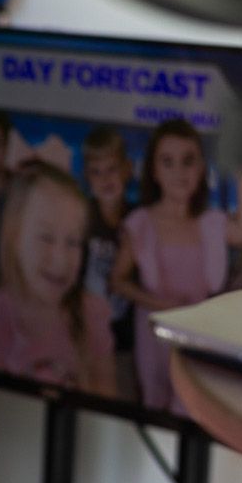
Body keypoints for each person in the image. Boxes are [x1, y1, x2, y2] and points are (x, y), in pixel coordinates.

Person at [110, 118, 242, 410]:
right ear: (154, 170)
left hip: (197, 340)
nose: (179, 172)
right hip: (154, 341)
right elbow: (118, 280)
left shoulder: (212, 223)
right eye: (168, 162)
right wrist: (159, 304)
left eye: (188, 161)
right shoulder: (141, 224)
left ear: (201, 169)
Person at [0, 162, 117, 395]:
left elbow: (107, 399)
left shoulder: (92, 314)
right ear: (14, 237)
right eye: (46, 238)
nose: (60, 260)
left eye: (73, 242)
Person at [79, 127, 136, 356]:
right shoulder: (80, 217)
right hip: (85, 331)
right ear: (87, 176)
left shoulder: (138, 219)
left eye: (112, 169)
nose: (105, 179)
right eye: (96, 172)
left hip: (126, 335)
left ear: (127, 169)